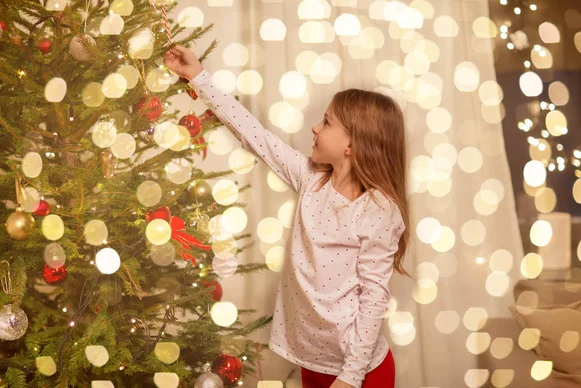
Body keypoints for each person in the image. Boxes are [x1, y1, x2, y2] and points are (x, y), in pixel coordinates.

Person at [165, 45, 411, 388]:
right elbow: (255, 136)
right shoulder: (311, 178)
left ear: (351, 145)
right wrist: (197, 76)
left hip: (359, 373)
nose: (314, 127)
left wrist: (351, 377)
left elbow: (373, 297)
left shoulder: (378, 211)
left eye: (326, 122)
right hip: (311, 362)